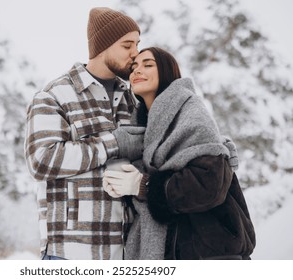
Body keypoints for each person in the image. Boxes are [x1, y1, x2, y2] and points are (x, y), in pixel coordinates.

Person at [103, 47, 256, 260]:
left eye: (148, 65)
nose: (137, 71)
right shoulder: (144, 126)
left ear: (166, 71)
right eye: (134, 67)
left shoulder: (189, 109)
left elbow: (210, 182)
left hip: (210, 255)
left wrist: (143, 185)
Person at [24, 7, 145, 260]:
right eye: (127, 45)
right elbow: (41, 160)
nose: (135, 53)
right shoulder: (55, 95)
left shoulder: (133, 101)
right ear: (103, 46)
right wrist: (114, 143)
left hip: (128, 254)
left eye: (137, 44)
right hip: (71, 254)